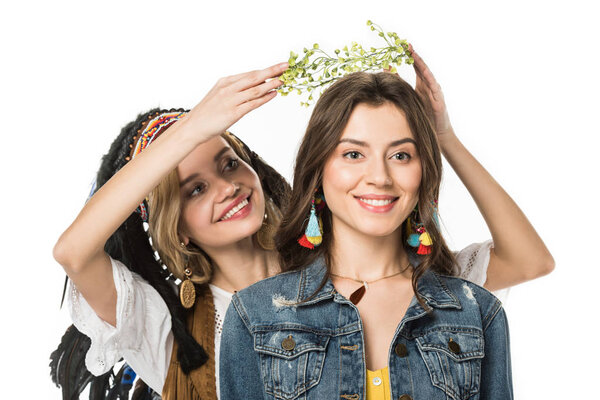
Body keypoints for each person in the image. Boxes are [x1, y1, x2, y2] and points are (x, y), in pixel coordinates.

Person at [219, 48, 553, 399]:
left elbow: (533, 261)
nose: (379, 176)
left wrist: (444, 136)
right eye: (353, 154)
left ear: (424, 173)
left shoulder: (477, 312)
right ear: (317, 170)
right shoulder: (253, 316)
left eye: (400, 155)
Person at [52, 62, 292, 399]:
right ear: (177, 229)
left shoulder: (333, 260)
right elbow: (72, 253)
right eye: (196, 189)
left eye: (229, 164)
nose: (227, 188)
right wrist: (191, 128)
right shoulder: (164, 330)